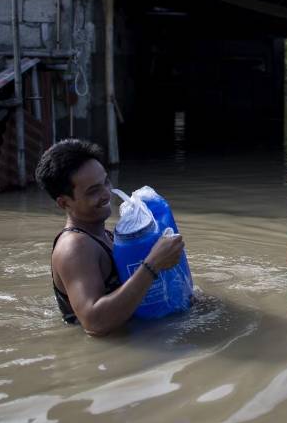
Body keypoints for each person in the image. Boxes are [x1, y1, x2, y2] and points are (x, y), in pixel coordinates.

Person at [36, 139, 185, 335]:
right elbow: (94, 322)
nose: (106, 193)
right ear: (64, 203)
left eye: (105, 181)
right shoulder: (74, 247)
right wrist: (153, 263)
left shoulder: (106, 235)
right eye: (93, 191)